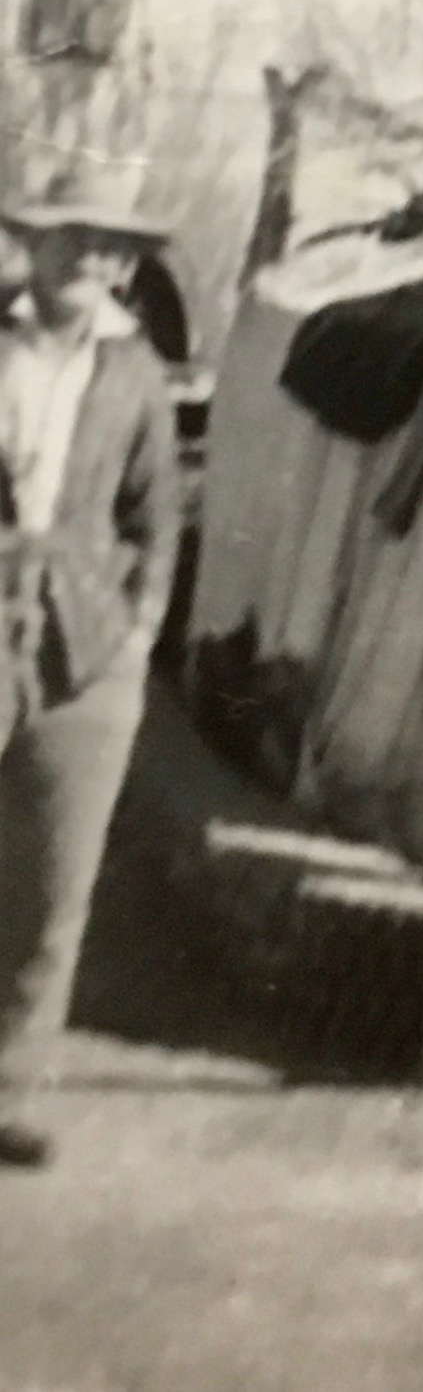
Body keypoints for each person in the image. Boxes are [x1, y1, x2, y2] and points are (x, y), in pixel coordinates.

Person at [0, 178, 181, 1172]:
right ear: (35, 239)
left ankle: (12, 1090)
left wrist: (138, 634)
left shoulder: (138, 372)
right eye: (76, 237)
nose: (95, 260)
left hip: (85, 648)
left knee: (51, 882)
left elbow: (159, 521)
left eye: (115, 247)